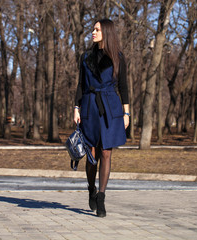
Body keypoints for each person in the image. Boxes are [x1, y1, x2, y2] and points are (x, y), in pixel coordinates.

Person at [73, 19, 130, 217]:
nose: (93, 32)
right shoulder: (86, 56)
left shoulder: (118, 57)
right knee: (92, 154)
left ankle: (102, 197)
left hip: (110, 107)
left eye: (97, 29)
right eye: (93, 29)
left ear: (106, 32)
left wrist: (126, 112)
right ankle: (91, 188)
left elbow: (123, 87)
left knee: (106, 152)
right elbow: (80, 84)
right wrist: (76, 107)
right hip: (89, 106)